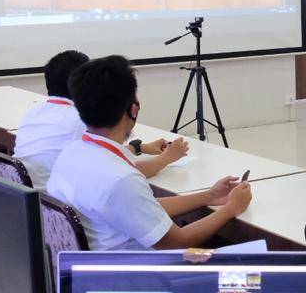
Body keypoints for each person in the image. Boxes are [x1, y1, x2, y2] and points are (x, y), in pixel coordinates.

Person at [47, 55, 252, 251]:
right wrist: (231, 209)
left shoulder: (70, 154)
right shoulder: (120, 179)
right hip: (134, 279)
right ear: (133, 110)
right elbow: (177, 243)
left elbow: (142, 208)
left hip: (88, 274)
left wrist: (209, 196)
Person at [15, 50, 189, 189]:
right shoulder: (80, 120)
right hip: (55, 204)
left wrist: (140, 147)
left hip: (36, 206)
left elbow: (100, 155)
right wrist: (168, 157)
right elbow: (123, 173)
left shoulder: (35, 111)